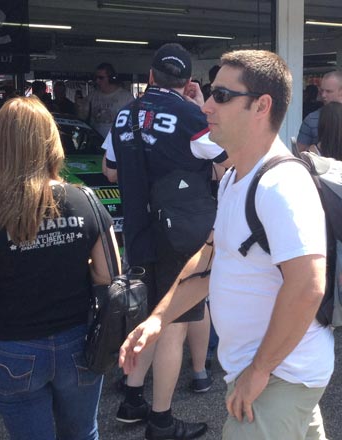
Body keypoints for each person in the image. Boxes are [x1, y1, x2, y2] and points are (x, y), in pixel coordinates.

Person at [120, 49, 332, 440]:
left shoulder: (281, 184)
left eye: (221, 95)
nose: (205, 106)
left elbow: (307, 286)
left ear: (261, 106)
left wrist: (259, 371)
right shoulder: (237, 178)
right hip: (274, 375)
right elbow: (210, 257)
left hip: (278, 377)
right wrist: (158, 319)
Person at [0, 97, 115, 440]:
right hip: (78, 343)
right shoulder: (86, 200)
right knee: (83, 434)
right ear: (51, 141)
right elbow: (108, 275)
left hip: (13, 349)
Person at [102, 43, 225, 440]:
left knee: (144, 317)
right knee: (171, 323)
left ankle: (132, 399)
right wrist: (204, 104)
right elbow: (225, 163)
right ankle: (161, 420)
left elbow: (111, 170)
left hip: (137, 231)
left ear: (151, 76)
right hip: (180, 233)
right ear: (188, 82)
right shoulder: (191, 115)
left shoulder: (125, 115)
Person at [79, 62, 134, 137]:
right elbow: (82, 118)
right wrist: (78, 106)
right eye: (96, 78)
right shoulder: (92, 96)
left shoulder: (126, 97)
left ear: (111, 78)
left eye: (101, 78)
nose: (97, 81)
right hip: (96, 143)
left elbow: (133, 123)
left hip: (115, 144)